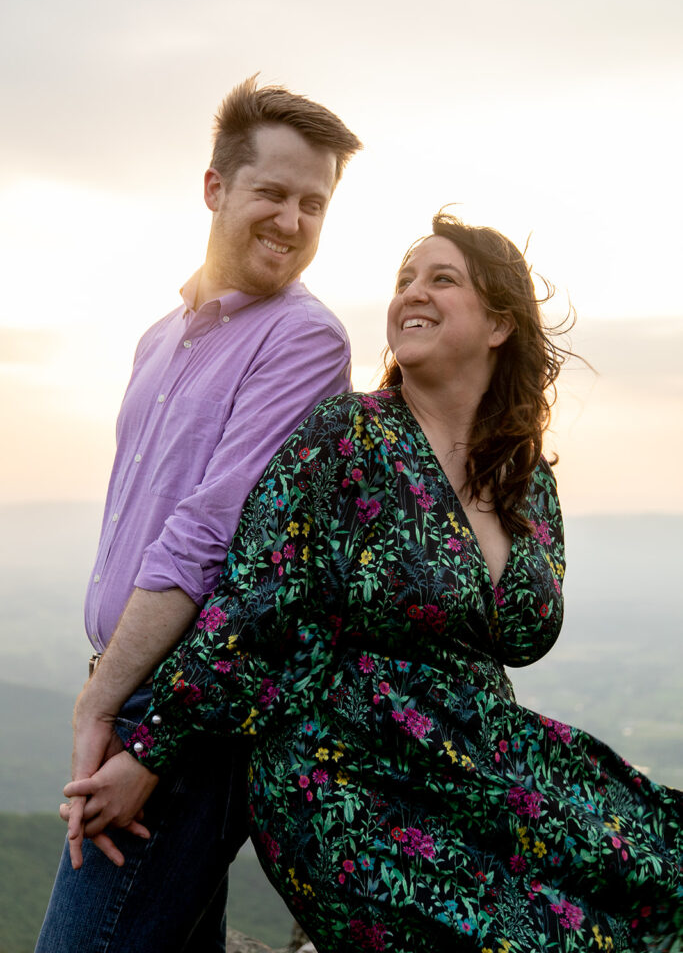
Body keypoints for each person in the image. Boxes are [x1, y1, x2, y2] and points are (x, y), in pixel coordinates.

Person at [66, 213, 682, 952]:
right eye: (403, 280)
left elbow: (520, 635)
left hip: (476, 772)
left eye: (440, 279)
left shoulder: (523, 481)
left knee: (658, 868)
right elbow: (255, 616)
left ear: (498, 324)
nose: (410, 294)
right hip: (348, 784)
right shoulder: (348, 437)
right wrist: (148, 752)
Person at [36, 76, 361, 953]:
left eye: (313, 205)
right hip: (131, 683)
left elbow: (208, 537)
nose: (292, 222)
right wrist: (105, 680)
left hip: (181, 714)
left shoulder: (303, 339)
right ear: (215, 187)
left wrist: (98, 705)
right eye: (272, 192)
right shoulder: (157, 338)